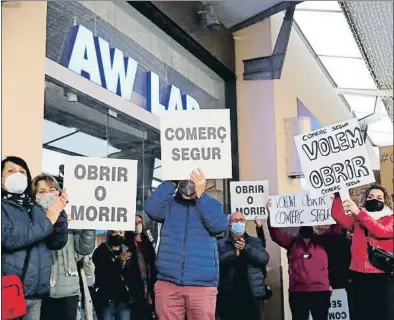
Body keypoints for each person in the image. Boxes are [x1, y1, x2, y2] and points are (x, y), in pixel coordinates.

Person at [144, 169, 227, 320]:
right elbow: (151, 208)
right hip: (168, 282)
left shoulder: (211, 204)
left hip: (202, 284)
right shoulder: (170, 204)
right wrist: (171, 182)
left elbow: (219, 226)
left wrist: (201, 196)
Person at [1, 156, 68, 319]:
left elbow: (56, 242)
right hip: (8, 291)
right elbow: (9, 238)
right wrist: (49, 221)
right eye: (11, 170)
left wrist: (59, 214)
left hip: (35, 294)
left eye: (22, 172)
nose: (18, 174)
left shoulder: (34, 207)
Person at [31, 174, 96, 320]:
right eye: (42, 192)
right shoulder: (31, 221)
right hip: (41, 293)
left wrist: (89, 225)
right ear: (34, 196)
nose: (48, 194)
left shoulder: (70, 216)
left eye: (52, 190)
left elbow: (83, 250)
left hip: (69, 292)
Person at [266, 199, 340, 320]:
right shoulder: (292, 242)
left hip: (320, 291)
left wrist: (334, 204)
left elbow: (336, 229)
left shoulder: (323, 241)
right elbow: (276, 234)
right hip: (298, 292)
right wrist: (271, 213)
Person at [331, 185, 394, 320]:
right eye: (370, 197)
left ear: (385, 201)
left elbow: (380, 231)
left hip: (382, 277)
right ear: (365, 200)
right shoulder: (357, 221)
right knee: (361, 314)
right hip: (359, 276)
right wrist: (338, 192)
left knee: (383, 315)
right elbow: (337, 214)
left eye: (379, 197)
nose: (374, 200)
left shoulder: (391, 219)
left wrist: (359, 213)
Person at [217, 212, 270, 320]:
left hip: (252, 294)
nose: (238, 223)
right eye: (235, 221)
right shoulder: (221, 243)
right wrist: (234, 254)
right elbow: (217, 262)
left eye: (241, 220)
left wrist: (246, 248)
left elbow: (264, 258)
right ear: (229, 224)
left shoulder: (254, 242)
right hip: (228, 295)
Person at [93, 230, 143, 320]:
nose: (118, 235)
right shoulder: (101, 251)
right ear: (109, 233)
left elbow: (133, 275)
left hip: (123, 300)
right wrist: (119, 262)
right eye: (114, 232)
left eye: (120, 232)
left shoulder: (128, 252)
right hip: (106, 300)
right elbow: (103, 276)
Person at [125, 214, 157, 320]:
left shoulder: (147, 242)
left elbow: (153, 264)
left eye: (139, 222)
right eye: (134, 222)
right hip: (134, 291)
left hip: (148, 287)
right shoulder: (125, 243)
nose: (137, 225)